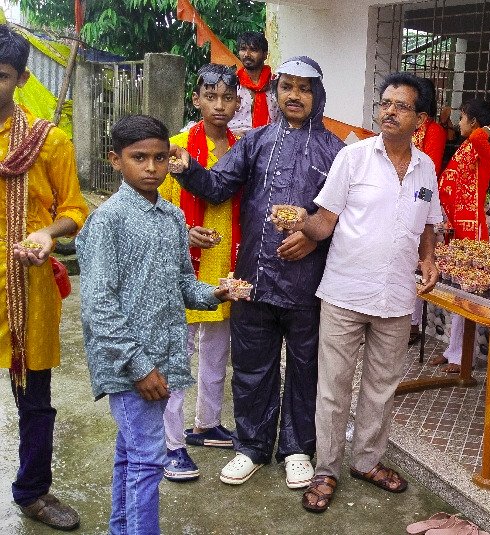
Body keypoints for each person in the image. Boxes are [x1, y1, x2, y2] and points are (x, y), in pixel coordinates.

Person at [169, 55, 345, 489]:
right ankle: (251, 446)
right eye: (287, 86)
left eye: (304, 88)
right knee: (251, 367)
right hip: (253, 278)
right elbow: (217, 187)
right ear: (275, 92)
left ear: (318, 96)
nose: (294, 95)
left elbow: (347, 217)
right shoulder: (254, 142)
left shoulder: (337, 151)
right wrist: (188, 168)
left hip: (307, 283)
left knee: (305, 368)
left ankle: (297, 449)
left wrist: (315, 237)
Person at [270, 72, 440, 514]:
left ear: (420, 119)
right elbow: (324, 222)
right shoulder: (354, 157)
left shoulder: (426, 168)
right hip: (344, 292)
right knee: (334, 388)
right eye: (385, 103)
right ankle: (326, 469)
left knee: (381, 387)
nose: (389, 112)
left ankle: (366, 461)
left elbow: (428, 223)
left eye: (401, 106)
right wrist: (300, 221)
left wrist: (428, 259)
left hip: (397, 297)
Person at [77, 115, 236, 534]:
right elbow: (99, 306)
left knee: (132, 455)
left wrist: (214, 294)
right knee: (148, 461)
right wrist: (139, 367)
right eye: (139, 158)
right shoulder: (108, 220)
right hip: (131, 365)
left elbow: (182, 282)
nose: (151, 167)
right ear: (116, 160)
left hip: (163, 356)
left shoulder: (172, 216)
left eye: (160, 158)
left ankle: (121, 528)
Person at [0, 25, 88, 532]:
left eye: (1, 75)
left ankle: (33, 490)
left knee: (34, 398)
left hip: (27, 288)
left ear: (21, 78)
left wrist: (46, 234)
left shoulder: (47, 141)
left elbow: (74, 210)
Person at [158, 63, 241, 482]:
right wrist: (184, 232)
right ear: (196, 100)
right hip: (184, 269)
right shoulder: (175, 149)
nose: (219, 105)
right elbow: (153, 209)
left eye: (227, 98)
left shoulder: (242, 149)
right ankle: (170, 444)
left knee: (216, 353)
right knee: (177, 357)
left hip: (227, 268)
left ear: (238, 103)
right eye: (211, 96)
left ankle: (206, 424)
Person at [431, 98, 490, 373]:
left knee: (466, 297)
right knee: (457, 296)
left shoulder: (485, 149)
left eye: (462, 117)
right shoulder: (466, 147)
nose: (458, 122)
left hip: (471, 234)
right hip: (455, 230)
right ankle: (452, 350)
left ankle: (462, 356)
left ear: (474, 122)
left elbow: (478, 137)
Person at [408, 77, 447, 345]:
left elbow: (429, 173)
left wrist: (417, 204)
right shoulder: (409, 128)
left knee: (420, 260)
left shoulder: (435, 131)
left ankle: (412, 324)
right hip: (401, 197)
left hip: (422, 200)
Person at [230, 31, 278, 136]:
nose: (247, 54)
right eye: (243, 49)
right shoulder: (231, 84)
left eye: (253, 50)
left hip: (270, 140)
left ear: (265, 54)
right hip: (234, 140)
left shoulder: (277, 84)